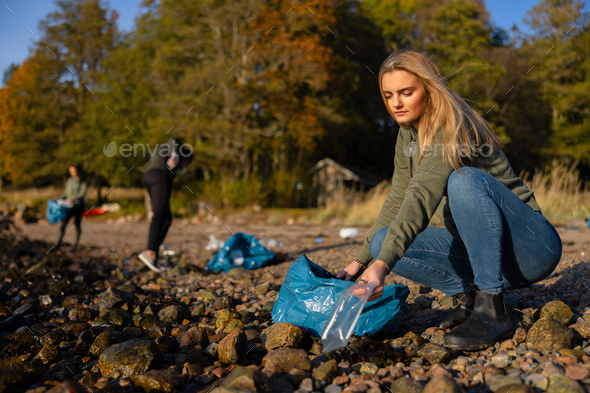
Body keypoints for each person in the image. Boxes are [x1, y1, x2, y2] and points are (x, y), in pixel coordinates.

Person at [336, 50, 562, 351]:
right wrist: (360, 262)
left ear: (429, 89)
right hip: (484, 255)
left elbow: (421, 196)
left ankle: (492, 308)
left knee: (463, 179)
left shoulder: (453, 124)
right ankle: (470, 296)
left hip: (531, 249)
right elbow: (398, 200)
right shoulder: (407, 134)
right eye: (388, 95)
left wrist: (382, 268)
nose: (396, 104)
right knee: (381, 241)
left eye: (406, 93)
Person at [138, 138, 192, 272]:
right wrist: (176, 154)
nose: (186, 166)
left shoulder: (170, 170)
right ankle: (150, 251)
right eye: (188, 163)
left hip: (149, 177)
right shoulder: (172, 152)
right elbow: (173, 140)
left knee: (167, 218)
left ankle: (154, 256)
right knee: (161, 213)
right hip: (157, 175)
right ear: (185, 158)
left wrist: (150, 209)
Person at [54, 163, 88, 251]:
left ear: (78, 171)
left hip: (78, 206)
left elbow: (82, 194)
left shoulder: (83, 182)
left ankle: (74, 246)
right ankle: (57, 244)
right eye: (70, 171)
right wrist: (60, 198)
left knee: (77, 225)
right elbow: (66, 193)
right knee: (63, 224)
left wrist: (73, 199)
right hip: (68, 206)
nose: (72, 173)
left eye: (73, 171)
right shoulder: (70, 181)